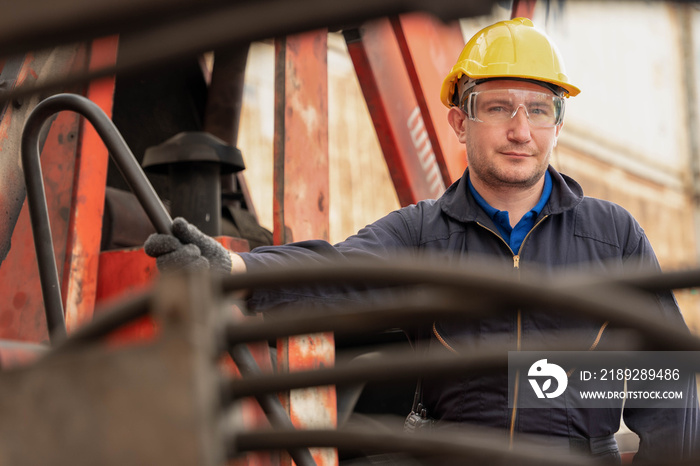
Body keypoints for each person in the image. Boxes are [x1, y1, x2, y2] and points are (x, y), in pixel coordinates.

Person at [145, 17, 699, 462]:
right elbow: (337, 272)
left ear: (558, 124)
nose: (520, 130)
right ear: (460, 121)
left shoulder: (612, 236)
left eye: (538, 109)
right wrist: (234, 272)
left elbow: (667, 387)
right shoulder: (422, 232)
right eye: (498, 106)